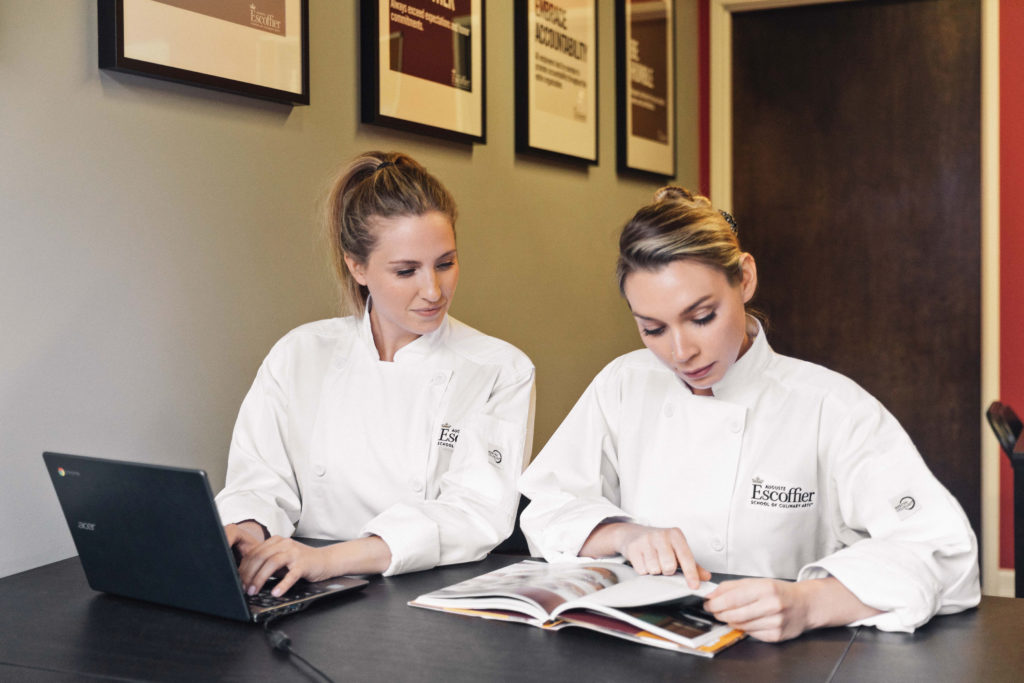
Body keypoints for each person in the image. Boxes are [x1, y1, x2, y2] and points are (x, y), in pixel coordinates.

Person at [518, 186, 980, 642]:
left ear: (745, 278)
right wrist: (623, 534)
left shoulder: (831, 407)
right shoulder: (623, 383)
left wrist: (810, 602)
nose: (681, 352)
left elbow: (946, 555)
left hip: (789, 660)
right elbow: (549, 503)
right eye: (653, 329)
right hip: (644, 652)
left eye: (702, 317)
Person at [216, 151, 535, 598]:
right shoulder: (300, 353)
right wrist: (247, 530)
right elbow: (260, 479)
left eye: (446, 263)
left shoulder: (500, 368)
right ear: (357, 266)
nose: (434, 291)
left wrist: (328, 559)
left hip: (426, 594)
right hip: (301, 588)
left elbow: (474, 514)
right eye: (406, 270)